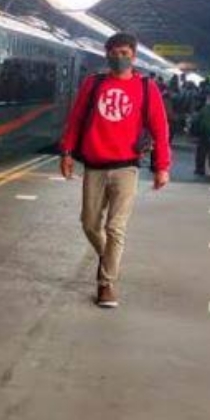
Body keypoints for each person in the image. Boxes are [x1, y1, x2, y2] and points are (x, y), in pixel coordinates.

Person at [59, 32, 172, 309]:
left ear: (134, 56)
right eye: (114, 53)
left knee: (115, 228)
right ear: (106, 54)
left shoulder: (146, 88)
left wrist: (162, 166)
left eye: (124, 53)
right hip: (94, 166)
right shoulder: (93, 84)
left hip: (126, 166)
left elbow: (160, 128)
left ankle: (106, 283)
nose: (119, 58)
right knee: (89, 224)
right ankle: (107, 256)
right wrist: (67, 152)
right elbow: (75, 119)